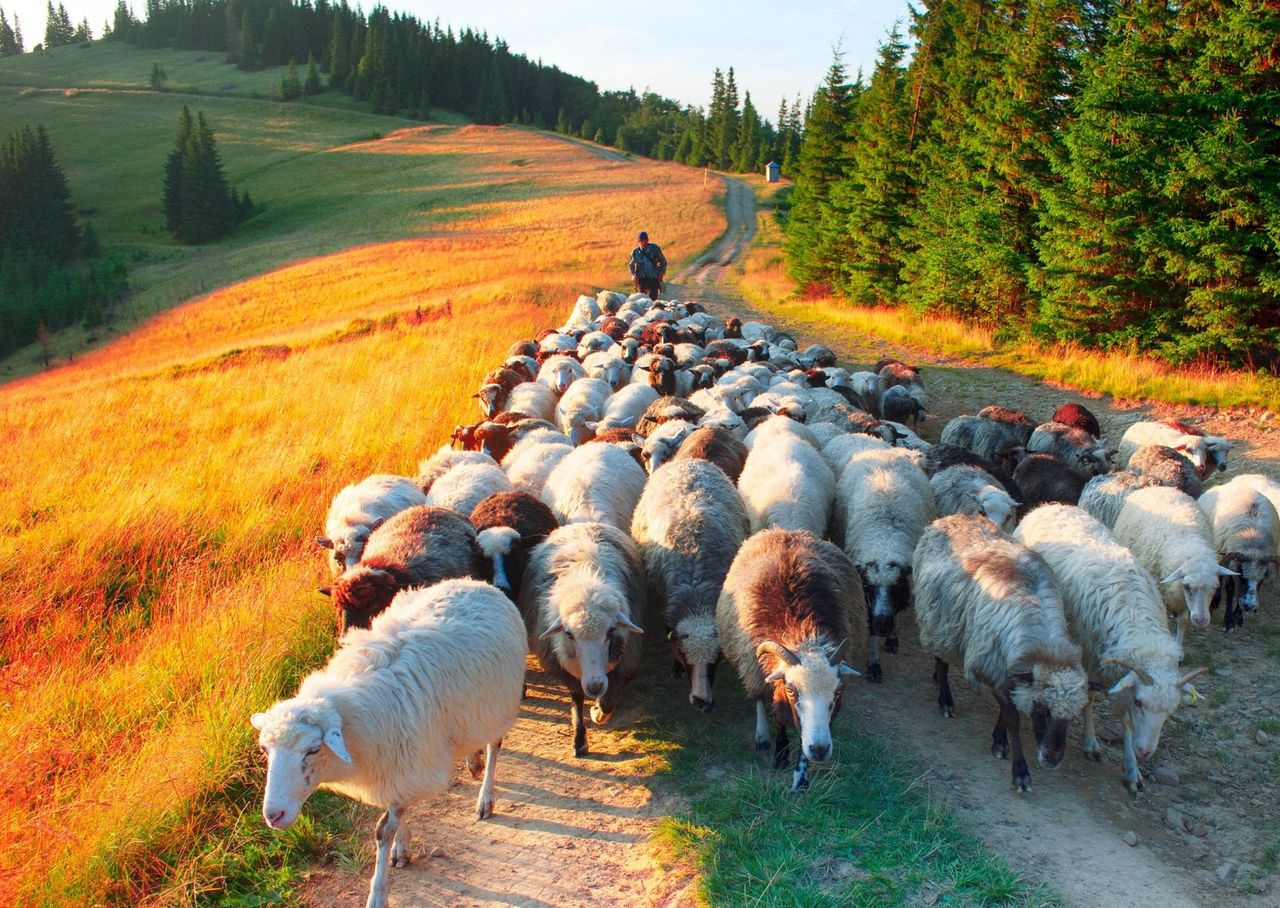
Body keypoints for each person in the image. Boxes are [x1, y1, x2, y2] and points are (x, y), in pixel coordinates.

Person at [628, 231, 667, 299]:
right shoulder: (635, 252)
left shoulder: (655, 248)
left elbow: (663, 261)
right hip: (641, 280)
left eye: (645, 240)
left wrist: (661, 273)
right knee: (641, 301)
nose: (643, 242)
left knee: (651, 300)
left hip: (653, 278)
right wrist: (633, 276)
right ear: (639, 241)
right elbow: (631, 266)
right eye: (641, 241)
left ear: (647, 240)